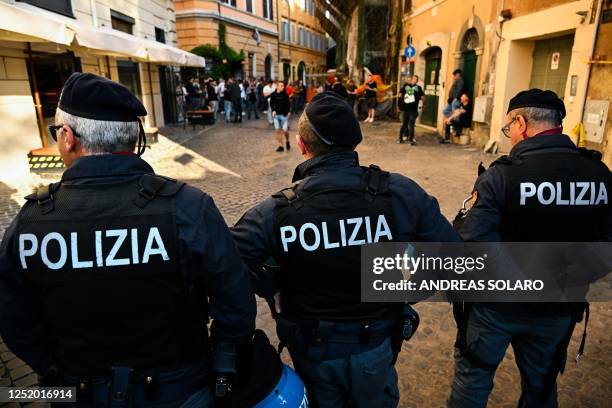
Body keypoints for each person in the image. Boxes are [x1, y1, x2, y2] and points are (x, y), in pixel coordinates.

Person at [0, 73, 256, 407]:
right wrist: (218, 362)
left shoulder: (29, 223)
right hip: (180, 387)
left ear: (67, 137)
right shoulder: (188, 208)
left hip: (77, 390)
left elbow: (14, 321)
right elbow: (236, 306)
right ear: (135, 139)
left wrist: (54, 369)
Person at [231, 92, 460, 407]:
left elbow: (226, 265)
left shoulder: (275, 212)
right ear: (354, 144)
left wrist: (274, 277)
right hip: (376, 349)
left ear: (301, 145)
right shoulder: (400, 194)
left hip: (314, 351)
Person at [449, 89, 612, 408]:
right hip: (559, 305)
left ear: (520, 123)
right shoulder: (600, 175)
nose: (510, 136)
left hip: (498, 307)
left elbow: (470, 242)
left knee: (473, 379)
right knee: (541, 386)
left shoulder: (503, 175)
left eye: (509, 128)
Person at [398, 75, 424, 145]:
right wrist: (399, 106)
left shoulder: (418, 88)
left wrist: (423, 104)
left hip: (413, 109)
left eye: (416, 79)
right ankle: (401, 138)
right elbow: (400, 95)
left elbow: (422, 97)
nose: (415, 80)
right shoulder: (406, 86)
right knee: (404, 124)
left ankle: (411, 140)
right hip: (405, 109)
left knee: (411, 124)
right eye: (414, 79)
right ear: (411, 79)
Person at [270, 81, 291, 153]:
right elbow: (271, 103)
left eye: (283, 86)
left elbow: (288, 104)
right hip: (276, 116)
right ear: (277, 86)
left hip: (284, 115)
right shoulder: (273, 94)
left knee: (285, 130)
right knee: (277, 131)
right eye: (281, 86)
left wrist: (289, 112)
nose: (283, 87)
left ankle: (287, 141)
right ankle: (280, 146)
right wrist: (273, 110)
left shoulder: (285, 94)